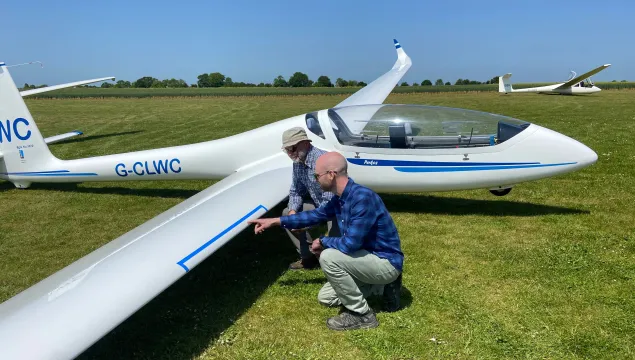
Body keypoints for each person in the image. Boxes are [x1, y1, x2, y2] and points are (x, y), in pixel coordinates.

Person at [249, 152, 404, 331]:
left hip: (385, 261)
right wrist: (275, 221)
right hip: (364, 258)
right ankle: (381, 286)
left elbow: (350, 244)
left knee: (329, 257)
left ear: (331, 174)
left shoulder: (362, 198)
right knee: (326, 297)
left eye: (317, 176)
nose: (315, 180)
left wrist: (322, 241)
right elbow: (316, 215)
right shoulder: (341, 199)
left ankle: (362, 315)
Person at [280, 127, 340, 270]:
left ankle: (334, 262)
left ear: (306, 143)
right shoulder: (298, 162)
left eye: (293, 148)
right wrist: (293, 213)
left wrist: (305, 223)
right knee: (286, 213)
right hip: (319, 205)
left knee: (335, 248)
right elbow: (295, 191)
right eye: (287, 149)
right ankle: (307, 257)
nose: (290, 153)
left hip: (337, 208)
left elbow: (330, 201)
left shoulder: (324, 161)